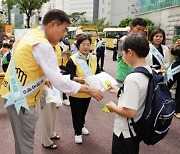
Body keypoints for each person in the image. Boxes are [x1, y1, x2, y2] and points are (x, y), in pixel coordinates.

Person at [0, 9, 103, 154]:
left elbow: (26, 62)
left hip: (11, 92)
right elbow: (59, 81)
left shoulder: (31, 34)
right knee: (26, 146)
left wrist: (45, 78)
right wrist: (88, 89)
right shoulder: (43, 46)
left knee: (21, 141)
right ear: (53, 24)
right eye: (63, 30)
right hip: (21, 99)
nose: (63, 35)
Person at [106, 33, 151, 154]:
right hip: (137, 127)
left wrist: (113, 107)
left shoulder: (133, 78)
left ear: (130, 52)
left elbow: (130, 112)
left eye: (123, 52)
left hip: (125, 131)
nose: (122, 55)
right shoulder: (148, 70)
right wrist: (119, 91)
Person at [66, 35, 101, 144]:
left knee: (83, 111)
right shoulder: (73, 59)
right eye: (83, 44)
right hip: (76, 91)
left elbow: (98, 71)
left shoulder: (94, 58)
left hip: (88, 92)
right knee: (76, 112)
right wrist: (76, 78)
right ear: (78, 46)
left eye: (88, 44)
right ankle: (77, 132)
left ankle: (81, 126)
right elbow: (67, 75)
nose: (85, 47)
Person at [116, 18, 147, 82]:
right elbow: (122, 58)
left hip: (136, 74)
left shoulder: (141, 42)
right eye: (138, 29)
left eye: (143, 30)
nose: (140, 32)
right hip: (123, 75)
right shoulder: (123, 40)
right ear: (131, 28)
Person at [167, 39, 180, 118]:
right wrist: (176, 47)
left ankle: (178, 110)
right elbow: (174, 53)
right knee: (166, 86)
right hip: (176, 68)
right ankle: (158, 104)